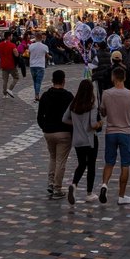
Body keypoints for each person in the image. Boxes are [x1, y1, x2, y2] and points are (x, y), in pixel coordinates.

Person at [98, 66, 130, 205]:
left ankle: (104, 185)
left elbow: (103, 113)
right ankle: (121, 196)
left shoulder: (106, 94)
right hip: (125, 132)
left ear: (113, 77)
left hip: (110, 132)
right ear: (125, 78)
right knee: (125, 164)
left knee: (109, 162)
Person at [64, 79, 102, 205]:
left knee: (81, 164)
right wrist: (100, 123)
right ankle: (89, 193)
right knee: (91, 165)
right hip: (90, 140)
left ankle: (74, 185)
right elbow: (92, 124)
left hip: (77, 139)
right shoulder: (92, 105)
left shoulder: (73, 104)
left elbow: (64, 119)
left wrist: (75, 124)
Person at [37, 69, 74, 198]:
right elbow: (73, 116)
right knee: (61, 161)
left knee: (53, 157)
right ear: (64, 81)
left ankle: (50, 183)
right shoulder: (68, 96)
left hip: (49, 132)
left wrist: (44, 127)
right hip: (64, 132)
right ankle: (57, 188)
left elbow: (39, 116)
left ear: (52, 81)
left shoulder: (46, 96)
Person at [0, 32, 21, 98]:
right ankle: (10, 89)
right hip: (11, 64)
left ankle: (4, 94)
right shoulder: (12, 45)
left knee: (5, 80)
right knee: (16, 77)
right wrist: (18, 55)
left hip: (3, 64)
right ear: (8, 37)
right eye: (11, 36)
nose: (12, 37)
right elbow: (16, 53)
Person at [27, 32, 50, 100]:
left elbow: (29, 54)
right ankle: (37, 95)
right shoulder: (45, 46)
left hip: (32, 65)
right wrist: (50, 57)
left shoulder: (31, 46)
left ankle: (36, 93)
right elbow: (47, 55)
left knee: (35, 81)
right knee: (39, 81)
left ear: (36, 38)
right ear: (41, 38)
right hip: (40, 65)